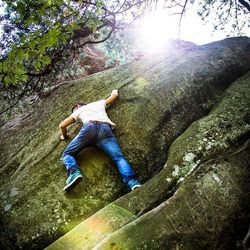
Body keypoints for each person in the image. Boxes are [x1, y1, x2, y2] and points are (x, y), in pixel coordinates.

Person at [59, 89, 142, 192]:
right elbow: (114, 96)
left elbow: (62, 125)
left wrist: (65, 136)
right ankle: (133, 182)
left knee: (67, 154)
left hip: (88, 129)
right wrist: (114, 90)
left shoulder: (79, 110)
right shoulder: (98, 103)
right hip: (105, 130)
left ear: (77, 107)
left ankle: (74, 173)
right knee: (119, 158)